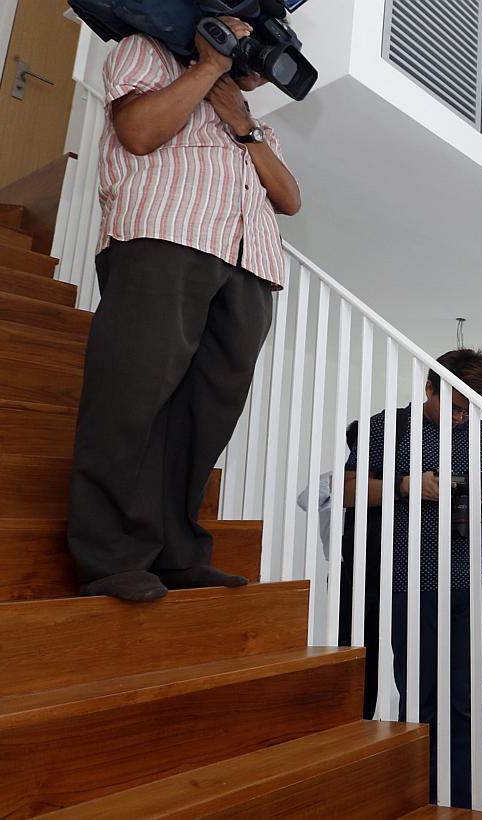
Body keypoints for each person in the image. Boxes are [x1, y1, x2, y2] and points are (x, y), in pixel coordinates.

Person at [67, 22, 300, 602]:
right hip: (163, 239)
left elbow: (290, 199)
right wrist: (208, 68)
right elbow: (138, 133)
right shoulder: (142, 53)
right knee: (130, 399)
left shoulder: (258, 123)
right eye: (247, 40)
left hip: (248, 265)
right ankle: (110, 554)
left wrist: (241, 123)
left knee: (206, 416)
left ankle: (176, 553)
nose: (258, 58)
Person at [339, 347, 482, 808]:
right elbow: (348, 490)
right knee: (421, 700)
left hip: (476, 585)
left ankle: (462, 803)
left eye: (467, 410)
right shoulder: (385, 428)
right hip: (410, 585)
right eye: (451, 406)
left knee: (469, 704)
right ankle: (422, 802)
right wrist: (408, 486)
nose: (458, 419)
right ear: (429, 388)